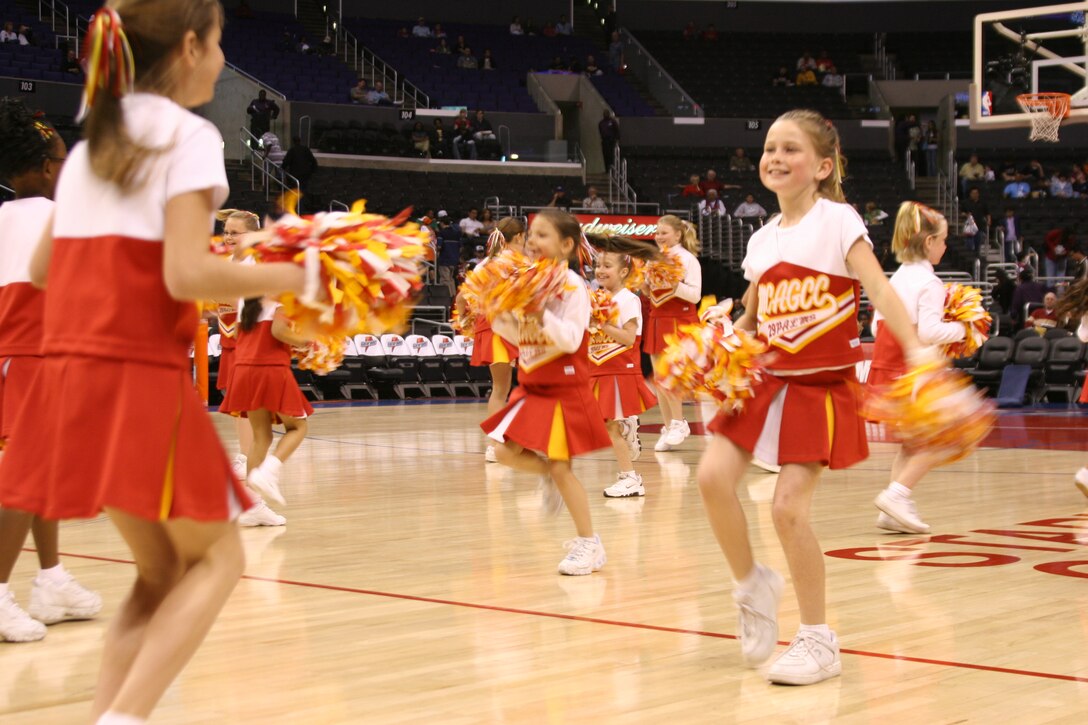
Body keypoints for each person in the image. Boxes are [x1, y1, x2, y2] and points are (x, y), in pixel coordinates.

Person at [0, 4, 305, 721]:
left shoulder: (87, 148)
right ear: (191, 45)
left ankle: (114, 712)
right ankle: (122, 716)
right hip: (134, 369)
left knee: (162, 571)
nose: (221, 60)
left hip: (67, 373)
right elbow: (184, 276)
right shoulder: (188, 135)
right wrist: (296, 275)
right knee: (220, 560)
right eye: (220, 44)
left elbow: (46, 266)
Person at [698, 109, 925, 686]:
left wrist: (916, 350)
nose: (775, 157)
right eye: (770, 147)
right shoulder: (762, 238)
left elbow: (878, 288)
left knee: (787, 509)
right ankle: (753, 583)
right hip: (766, 380)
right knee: (710, 478)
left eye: (790, 149)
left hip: (820, 383)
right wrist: (719, 341)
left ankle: (819, 640)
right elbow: (753, 314)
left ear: (823, 167)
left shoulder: (837, 220)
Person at [0, 99, 102, 644]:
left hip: (22, 355)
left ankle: (51, 578)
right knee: (24, 479)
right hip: (33, 354)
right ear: (45, 167)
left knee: (40, 476)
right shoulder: (61, 217)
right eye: (63, 160)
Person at [481, 209, 611, 575]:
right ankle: (545, 477)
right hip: (532, 384)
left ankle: (590, 544)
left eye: (542, 235)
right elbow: (516, 338)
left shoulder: (573, 287)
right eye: (531, 235)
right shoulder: (524, 282)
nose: (533, 242)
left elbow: (570, 340)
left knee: (561, 467)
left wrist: (539, 314)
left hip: (564, 387)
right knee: (503, 451)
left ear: (566, 245)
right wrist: (499, 312)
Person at [867, 202, 966, 535]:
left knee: (911, 444)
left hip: (888, 365)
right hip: (914, 370)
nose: (945, 246)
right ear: (928, 243)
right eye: (942, 240)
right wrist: (965, 330)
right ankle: (897, 495)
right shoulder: (929, 283)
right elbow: (929, 331)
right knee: (942, 437)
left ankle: (892, 511)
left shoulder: (896, 279)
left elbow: (874, 326)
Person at [218, 296, 314, 514]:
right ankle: (270, 471)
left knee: (261, 436)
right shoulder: (280, 293)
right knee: (298, 427)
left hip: (243, 368)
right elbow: (278, 331)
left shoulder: (244, 299)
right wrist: (306, 342)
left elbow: (234, 334)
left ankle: (251, 507)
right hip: (270, 368)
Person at [589, 241, 660, 497]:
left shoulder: (628, 299)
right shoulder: (598, 298)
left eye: (607, 265)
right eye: (598, 265)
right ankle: (627, 424)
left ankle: (630, 478)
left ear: (623, 272)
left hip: (619, 368)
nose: (600, 269)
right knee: (601, 424)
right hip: (598, 367)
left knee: (609, 426)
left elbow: (629, 339)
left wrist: (601, 323)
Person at [458, 218, 524, 463]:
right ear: (518, 238)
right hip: (508, 326)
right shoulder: (516, 264)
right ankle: (502, 443)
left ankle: (498, 444)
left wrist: (465, 321)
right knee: (519, 387)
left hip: (487, 326)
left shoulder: (483, 264)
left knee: (500, 389)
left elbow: (462, 300)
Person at [644, 215, 701, 452]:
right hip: (658, 319)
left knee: (672, 375)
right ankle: (669, 427)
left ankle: (679, 422)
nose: (659, 236)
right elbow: (652, 294)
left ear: (678, 235)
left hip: (680, 321)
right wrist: (644, 285)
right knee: (659, 378)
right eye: (657, 232)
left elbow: (695, 295)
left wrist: (673, 283)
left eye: (664, 232)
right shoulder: (653, 260)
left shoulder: (688, 259)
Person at [280, 136, 317, 201]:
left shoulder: (292, 150)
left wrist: (282, 168)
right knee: (303, 189)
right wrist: (312, 171)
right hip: (305, 174)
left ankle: (299, 204)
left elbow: (286, 162)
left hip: (296, 174)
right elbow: (313, 161)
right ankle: (303, 202)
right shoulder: (305, 149)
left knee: (295, 189)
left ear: (293, 142)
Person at [435, 212, 462, 296]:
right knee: (451, 279)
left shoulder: (442, 233)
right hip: (454, 260)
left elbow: (439, 246)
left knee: (445, 279)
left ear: (442, 223)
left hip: (445, 260)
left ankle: (446, 297)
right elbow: (461, 247)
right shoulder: (457, 233)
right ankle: (453, 297)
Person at [960, 187, 989, 256]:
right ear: (970, 194)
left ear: (978, 194)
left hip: (979, 226)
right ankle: (969, 259)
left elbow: (987, 213)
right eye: (973, 193)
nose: (974, 194)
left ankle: (977, 259)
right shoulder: (966, 202)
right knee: (969, 246)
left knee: (977, 245)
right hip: (969, 227)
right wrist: (966, 214)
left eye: (976, 193)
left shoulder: (983, 203)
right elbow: (961, 213)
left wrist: (989, 220)